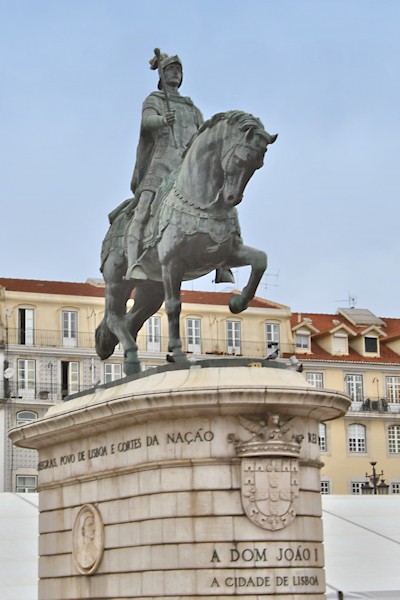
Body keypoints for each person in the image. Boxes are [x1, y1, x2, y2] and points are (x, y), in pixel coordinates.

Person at [125, 51, 233, 283]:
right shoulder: (154, 100)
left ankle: (224, 260)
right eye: (171, 69)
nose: (176, 73)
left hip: (189, 169)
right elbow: (146, 121)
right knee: (143, 209)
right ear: (162, 75)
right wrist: (163, 120)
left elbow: (204, 133)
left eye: (179, 70)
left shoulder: (191, 107)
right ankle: (134, 263)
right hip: (162, 165)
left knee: (223, 200)